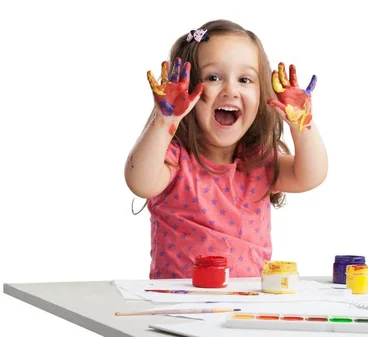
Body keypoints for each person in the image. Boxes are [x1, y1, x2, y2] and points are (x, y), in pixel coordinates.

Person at [124, 19, 328, 279]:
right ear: (185, 88)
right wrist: (164, 120)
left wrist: (303, 125)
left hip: (246, 306)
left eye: (245, 79)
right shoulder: (174, 160)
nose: (231, 89)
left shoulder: (259, 162)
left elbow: (312, 175)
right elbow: (139, 182)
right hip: (177, 306)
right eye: (213, 77)